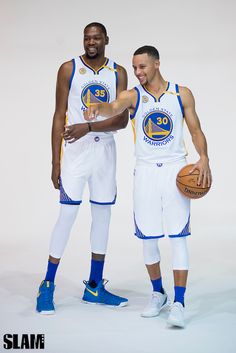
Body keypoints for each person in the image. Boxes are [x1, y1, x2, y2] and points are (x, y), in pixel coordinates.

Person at [63, 45, 212, 328]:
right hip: (144, 173)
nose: (137, 72)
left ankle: (179, 302)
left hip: (174, 171)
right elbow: (113, 107)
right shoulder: (133, 95)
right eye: (134, 67)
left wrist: (203, 157)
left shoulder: (181, 94)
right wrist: (98, 109)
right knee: (149, 238)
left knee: (178, 237)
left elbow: (196, 130)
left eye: (142, 66)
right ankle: (158, 294)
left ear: (157, 64)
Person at [36, 22, 129, 314]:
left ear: (106, 40)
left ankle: (94, 286)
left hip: (104, 150)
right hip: (75, 151)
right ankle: (47, 284)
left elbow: (122, 121)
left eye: (96, 37)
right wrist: (55, 161)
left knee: (102, 216)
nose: (91, 42)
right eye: (87, 37)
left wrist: (87, 126)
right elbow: (58, 114)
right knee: (67, 215)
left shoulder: (118, 72)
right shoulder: (69, 68)